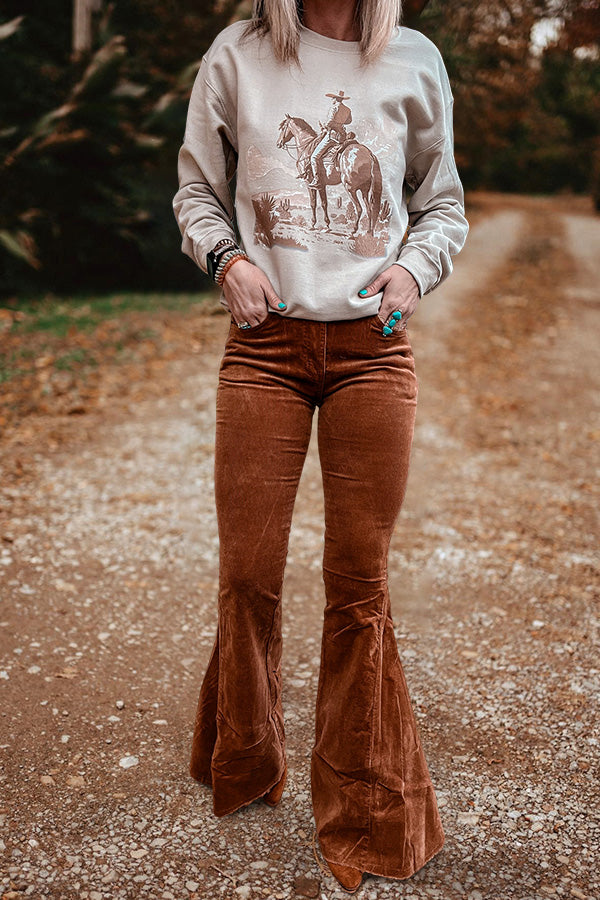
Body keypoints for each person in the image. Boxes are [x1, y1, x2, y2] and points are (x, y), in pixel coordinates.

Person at [172, 0, 468, 892]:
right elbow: (194, 189)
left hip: (374, 354)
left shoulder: (413, 59)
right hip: (263, 348)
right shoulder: (238, 55)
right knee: (249, 571)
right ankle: (247, 754)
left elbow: (442, 206)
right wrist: (227, 259)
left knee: (358, 582)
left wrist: (412, 271)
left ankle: (369, 811)